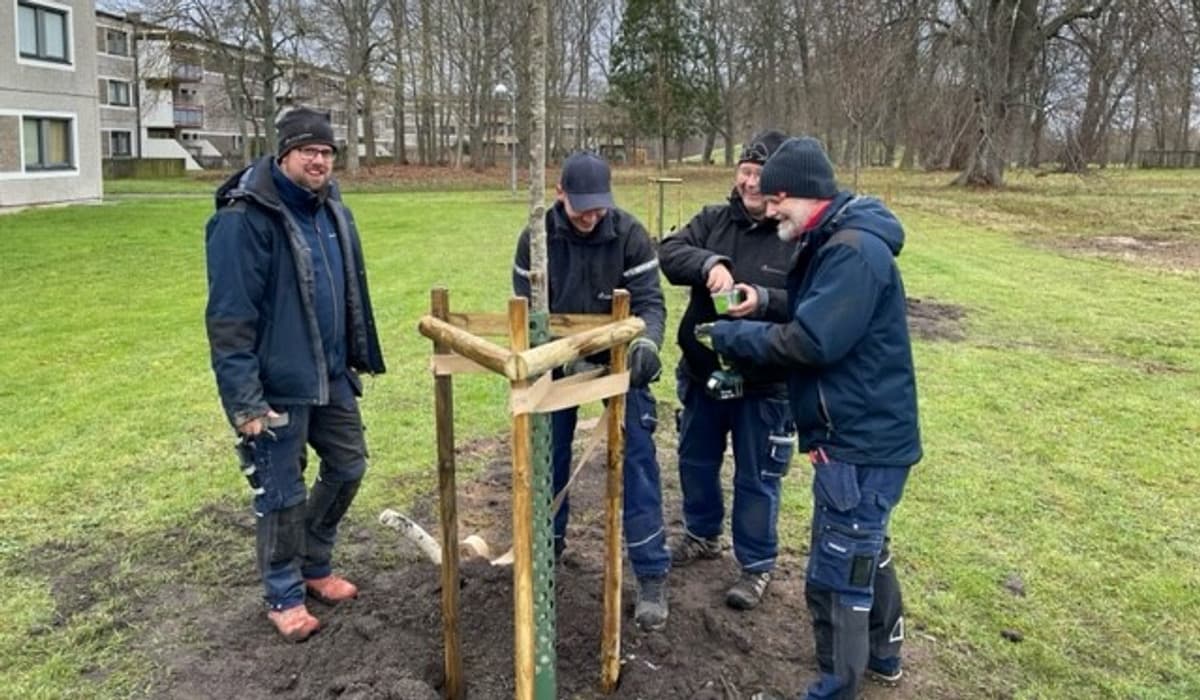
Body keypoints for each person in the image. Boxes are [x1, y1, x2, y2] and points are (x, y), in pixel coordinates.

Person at [698, 137, 921, 698]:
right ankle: (884, 656)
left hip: (858, 440)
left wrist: (732, 335)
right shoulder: (835, 240)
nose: (767, 208)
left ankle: (836, 685)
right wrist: (766, 302)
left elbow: (814, 340)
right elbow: (816, 309)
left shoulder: (852, 251)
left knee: (840, 568)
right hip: (858, 434)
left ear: (805, 194)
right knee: (867, 542)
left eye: (775, 199)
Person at [204, 107, 386, 642]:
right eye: (309, 151)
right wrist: (245, 402)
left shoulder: (331, 208)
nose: (319, 160)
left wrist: (354, 353)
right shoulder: (245, 217)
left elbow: (346, 287)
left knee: (349, 466)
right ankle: (283, 593)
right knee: (281, 491)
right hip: (276, 384)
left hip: (329, 375)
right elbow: (229, 317)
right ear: (283, 153)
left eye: (327, 152)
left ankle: (314, 564)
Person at [511, 151, 672, 631]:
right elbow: (522, 307)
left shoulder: (629, 234)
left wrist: (646, 344)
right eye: (582, 206)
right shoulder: (536, 238)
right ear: (560, 193)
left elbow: (649, 303)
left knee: (638, 459)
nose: (591, 216)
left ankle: (650, 573)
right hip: (555, 361)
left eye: (599, 206)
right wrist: (543, 355)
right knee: (547, 455)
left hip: (618, 360)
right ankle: (547, 553)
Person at [659, 129, 798, 611]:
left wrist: (762, 300)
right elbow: (670, 253)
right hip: (702, 376)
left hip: (764, 384)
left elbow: (807, 303)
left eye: (761, 175)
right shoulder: (713, 220)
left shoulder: (795, 236)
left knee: (757, 477)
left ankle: (756, 565)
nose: (751, 183)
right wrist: (709, 263)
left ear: (780, 181)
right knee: (695, 460)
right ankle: (701, 534)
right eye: (745, 171)